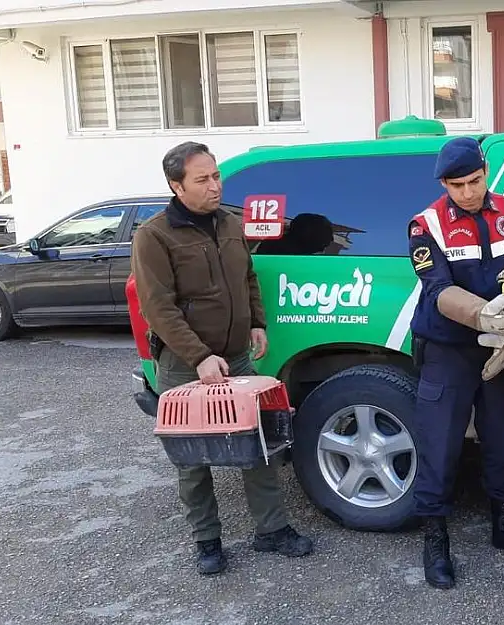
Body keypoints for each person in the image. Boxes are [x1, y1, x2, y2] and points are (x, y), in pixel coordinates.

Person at [131, 141, 315, 575]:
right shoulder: (154, 236)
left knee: (258, 446)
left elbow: (247, 276)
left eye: (216, 176)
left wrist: (257, 322)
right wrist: (198, 357)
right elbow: (157, 307)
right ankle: (207, 541)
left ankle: (271, 531)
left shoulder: (230, 223)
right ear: (177, 186)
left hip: (238, 357)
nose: (215, 185)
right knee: (193, 457)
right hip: (184, 364)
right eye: (202, 179)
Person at [407, 136, 504, 589]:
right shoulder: (425, 224)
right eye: (457, 185)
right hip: (450, 348)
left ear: (487, 171)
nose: (467, 192)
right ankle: (435, 537)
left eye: (475, 181)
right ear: (444, 183)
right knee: (439, 444)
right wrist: (483, 315)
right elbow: (437, 289)